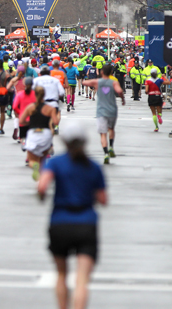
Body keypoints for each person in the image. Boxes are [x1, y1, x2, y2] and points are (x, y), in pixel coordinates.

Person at [37, 121, 108, 309]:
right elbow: (103, 199)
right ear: (85, 141)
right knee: (82, 280)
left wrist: (42, 196)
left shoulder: (56, 162)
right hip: (86, 223)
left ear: (64, 142)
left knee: (61, 274)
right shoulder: (93, 167)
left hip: (60, 222)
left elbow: (42, 186)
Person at [82, 65, 125, 164]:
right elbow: (119, 91)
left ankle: (105, 153)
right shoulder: (114, 82)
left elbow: (84, 82)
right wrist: (122, 99)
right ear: (111, 72)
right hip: (112, 110)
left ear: (101, 72)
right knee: (111, 129)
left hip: (101, 111)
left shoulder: (98, 82)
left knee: (103, 133)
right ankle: (111, 147)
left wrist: (89, 81)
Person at [20, 86, 59, 180]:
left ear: (35, 94)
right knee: (43, 159)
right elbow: (56, 122)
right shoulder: (50, 108)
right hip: (46, 134)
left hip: (33, 133)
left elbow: (21, 120)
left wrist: (30, 123)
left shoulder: (30, 107)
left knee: (30, 159)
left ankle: (35, 166)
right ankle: (42, 180)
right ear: (44, 95)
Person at [12, 77, 36, 151]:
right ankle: (29, 158)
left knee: (24, 137)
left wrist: (21, 113)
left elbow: (15, 106)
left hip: (23, 120)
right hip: (33, 120)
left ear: (24, 84)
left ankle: (23, 142)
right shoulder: (36, 94)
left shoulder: (20, 94)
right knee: (32, 140)